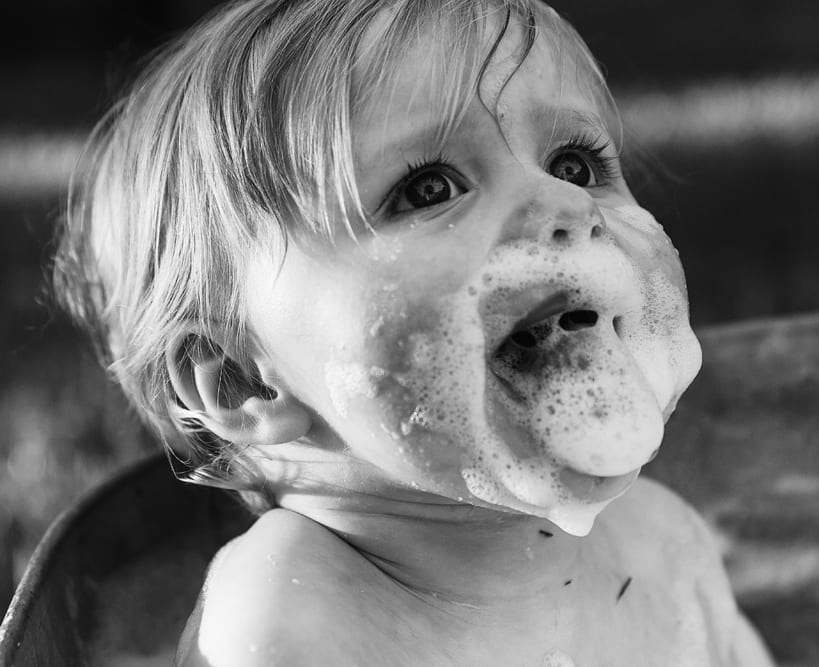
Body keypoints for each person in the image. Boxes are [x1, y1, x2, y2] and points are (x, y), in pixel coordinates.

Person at [54, 0, 774, 664]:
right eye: (430, 188)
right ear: (247, 381)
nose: (561, 202)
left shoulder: (664, 545)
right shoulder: (286, 628)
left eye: (575, 164)